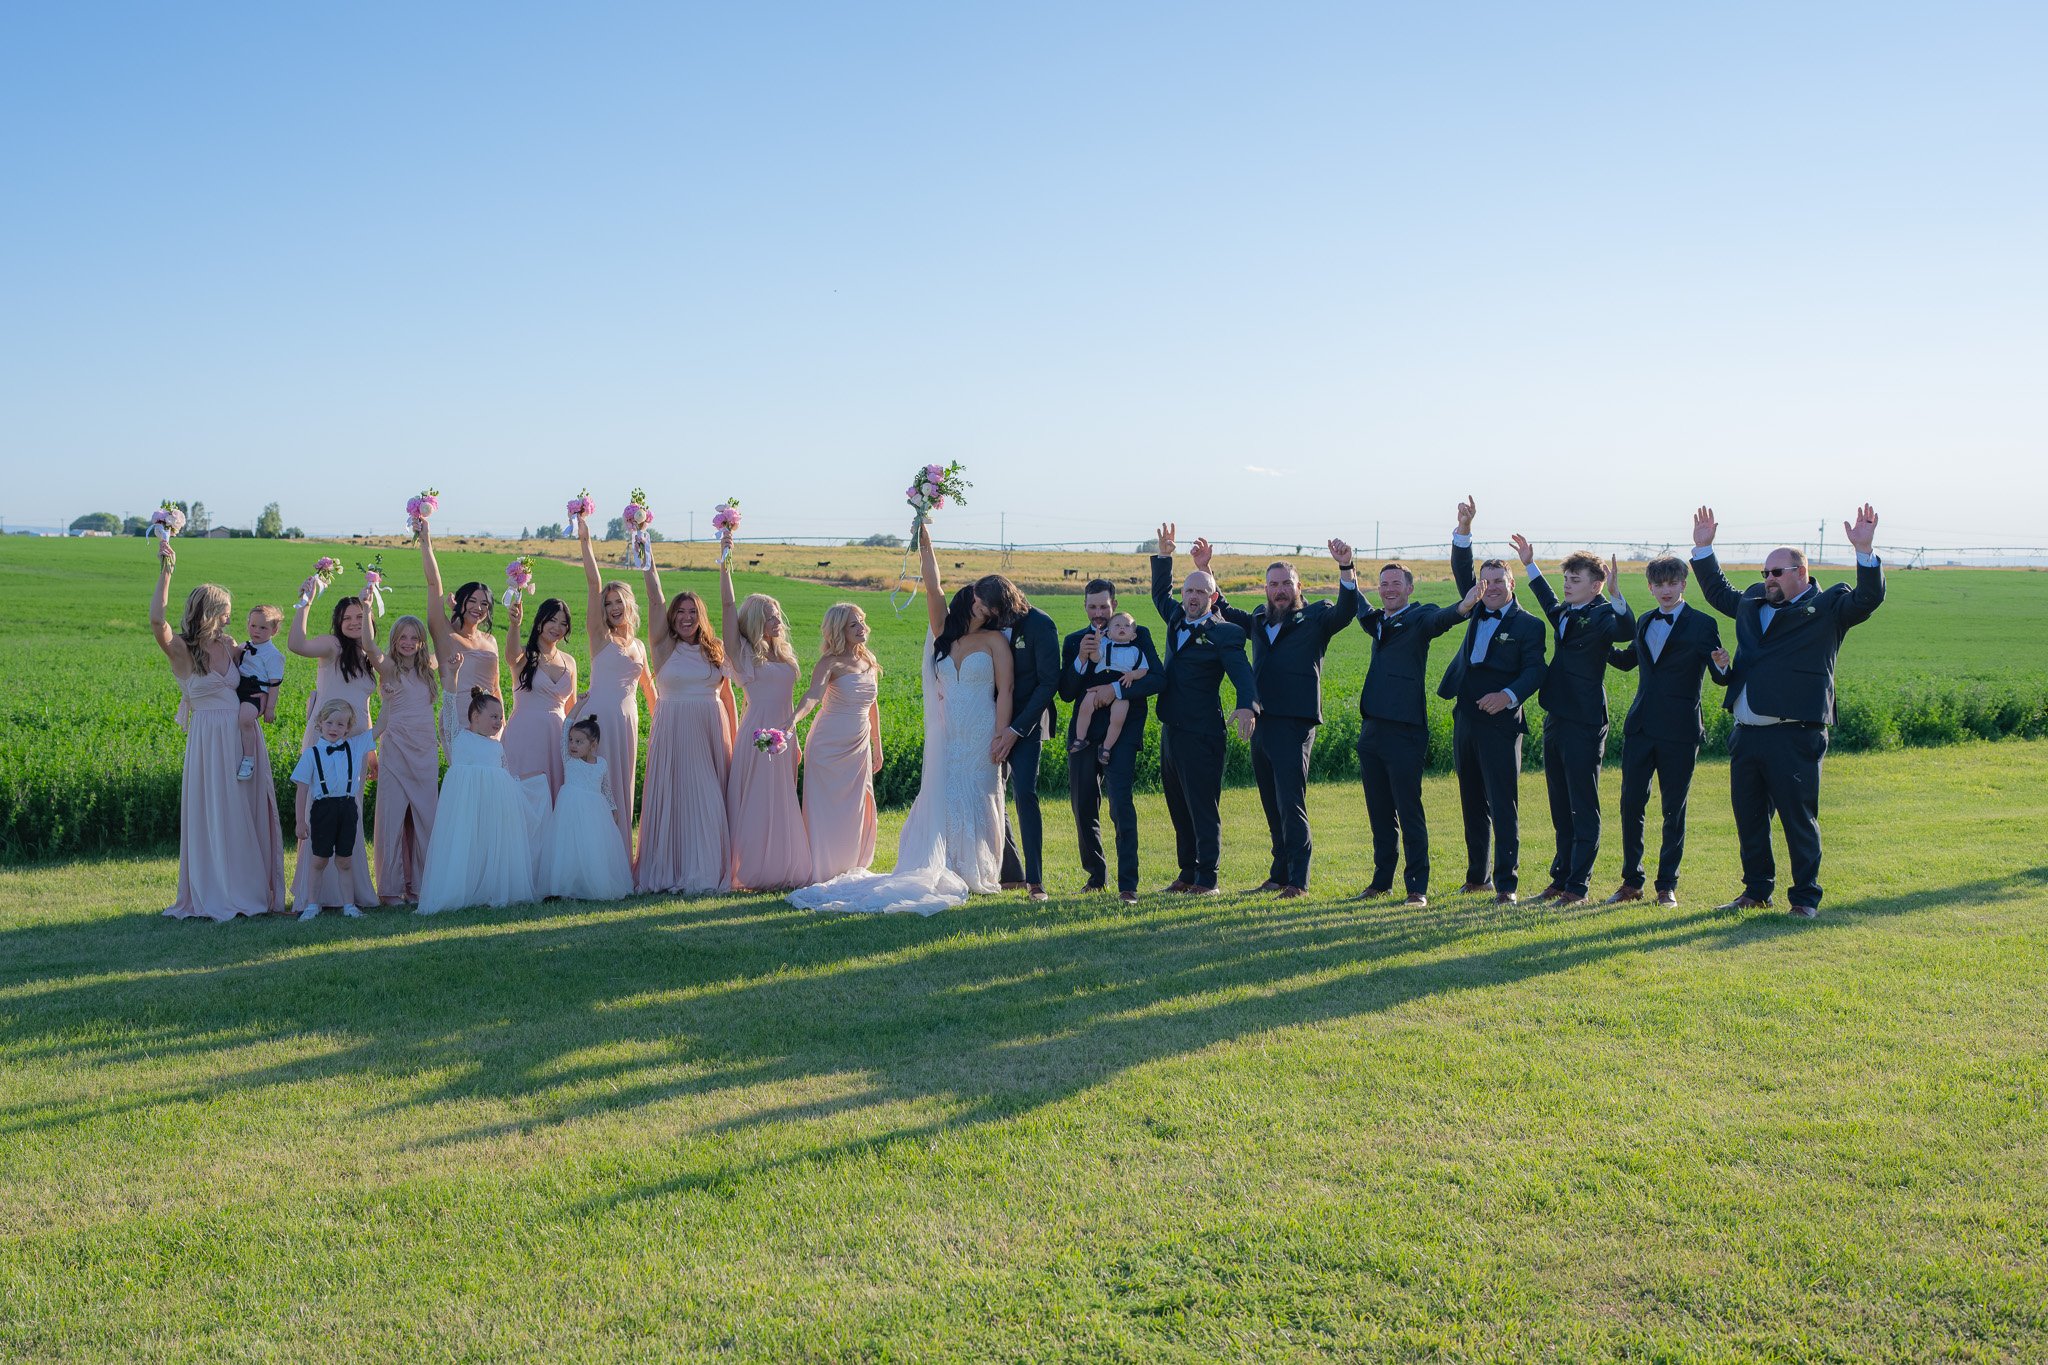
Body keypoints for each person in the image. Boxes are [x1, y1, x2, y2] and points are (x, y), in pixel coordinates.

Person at [791, 524, 1013, 914]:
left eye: (986, 607)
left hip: (982, 729)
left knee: (982, 793)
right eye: (976, 603)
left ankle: (980, 869)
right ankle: (946, 865)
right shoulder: (943, 632)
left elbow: (1006, 691)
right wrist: (925, 541)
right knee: (945, 793)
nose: (980, 610)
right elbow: (933, 586)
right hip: (948, 731)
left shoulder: (996, 642)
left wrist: (1002, 734)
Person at [1691, 504, 1886, 918]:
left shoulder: (1831, 605)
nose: (1768, 579)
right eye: (1764, 573)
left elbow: (1869, 598)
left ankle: (1804, 899)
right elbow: (1718, 593)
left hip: (1794, 733)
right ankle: (1756, 891)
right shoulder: (1751, 602)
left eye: (1776, 572)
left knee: (1799, 822)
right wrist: (1704, 550)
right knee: (1749, 820)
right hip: (1747, 732)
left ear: (1801, 572)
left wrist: (1865, 552)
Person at [1204, 535, 1360, 896]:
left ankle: (1299, 881)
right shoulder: (1260, 619)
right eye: (1273, 584)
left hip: (1295, 723)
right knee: (1271, 803)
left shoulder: (1316, 615)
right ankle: (1278, 874)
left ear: (1298, 587)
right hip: (1262, 721)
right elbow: (1223, 609)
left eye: (1285, 584)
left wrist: (1345, 567)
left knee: (1291, 801)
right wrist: (1205, 569)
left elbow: (1346, 610)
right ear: (1265, 588)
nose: (1279, 591)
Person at [152, 542, 287, 920]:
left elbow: (267, 661)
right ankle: (218, 890)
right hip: (208, 738)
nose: (230, 620)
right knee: (215, 811)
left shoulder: (230, 647)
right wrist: (166, 570)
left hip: (242, 737)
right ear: (210, 612)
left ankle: (252, 888)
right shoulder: (181, 649)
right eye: (226, 613)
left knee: (245, 810)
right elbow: (155, 622)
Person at [1603, 556, 1732, 907]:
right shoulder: (1644, 620)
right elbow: (1625, 661)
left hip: (1680, 731)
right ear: (1650, 587)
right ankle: (1631, 883)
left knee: (1674, 810)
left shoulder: (1703, 624)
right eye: (1658, 585)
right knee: (1631, 805)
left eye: (1671, 583)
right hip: (1640, 728)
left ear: (1683, 584)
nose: (1665, 590)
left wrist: (1723, 665)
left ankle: (1666, 886)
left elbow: (1721, 678)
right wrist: (1595, 640)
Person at [1511, 537, 1632, 908]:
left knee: (1583, 806)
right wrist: (1530, 564)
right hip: (1557, 716)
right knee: (1560, 806)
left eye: (1575, 579)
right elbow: (1548, 600)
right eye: (1566, 578)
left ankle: (1578, 888)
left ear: (1596, 584)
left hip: (1585, 720)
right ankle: (1559, 880)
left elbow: (1625, 632)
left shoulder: (1604, 614)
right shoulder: (1564, 611)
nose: (1567, 585)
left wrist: (1617, 596)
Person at [1442, 495, 1549, 903]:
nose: (1489, 589)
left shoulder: (1529, 624)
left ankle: (1506, 886)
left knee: (1503, 804)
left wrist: (1507, 696)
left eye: (1498, 582)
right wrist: (1464, 530)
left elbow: (1535, 671)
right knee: (1471, 801)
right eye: (1484, 582)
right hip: (1465, 718)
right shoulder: (1474, 608)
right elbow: (1459, 569)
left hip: (1502, 724)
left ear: (1512, 585)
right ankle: (1477, 877)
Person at [1149, 523, 1257, 895]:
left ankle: (1208, 879)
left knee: (1202, 807)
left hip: (1203, 732)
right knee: (1178, 805)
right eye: (1189, 590)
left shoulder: (1224, 632)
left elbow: (1242, 673)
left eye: (1201, 592)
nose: (1193, 597)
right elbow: (1159, 593)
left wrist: (1247, 706)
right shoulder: (1176, 617)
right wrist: (1165, 556)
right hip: (1172, 729)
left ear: (1213, 598)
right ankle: (1187, 874)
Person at [1352, 561, 1467, 906]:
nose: (1389, 589)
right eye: (1383, 583)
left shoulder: (1419, 617)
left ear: (1409, 588)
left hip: (1405, 731)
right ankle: (1380, 881)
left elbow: (1442, 619)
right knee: (1379, 812)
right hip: (1372, 729)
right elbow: (1357, 605)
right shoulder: (1378, 623)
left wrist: (1465, 605)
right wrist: (1347, 568)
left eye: (1396, 583)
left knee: (1408, 810)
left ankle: (1417, 888)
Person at [636, 556, 738, 895]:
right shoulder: (663, 647)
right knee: (675, 800)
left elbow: (728, 697)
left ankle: (706, 870)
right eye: (680, 612)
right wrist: (647, 558)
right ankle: (675, 868)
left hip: (710, 730)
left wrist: (734, 738)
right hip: (674, 729)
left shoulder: (716, 650)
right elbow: (654, 598)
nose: (686, 618)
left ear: (701, 617)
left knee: (708, 800)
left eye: (692, 612)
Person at [1060, 582, 1164, 904]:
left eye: (1104, 607)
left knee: (1120, 804)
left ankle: (1128, 885)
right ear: (1085, 608)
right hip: (1085, 733)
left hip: (1122, 730)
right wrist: (1081, 660)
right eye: (1092, 607)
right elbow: (1066, 693)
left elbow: (1157, 678)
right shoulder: (1075, 641)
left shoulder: (1135, 632)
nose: (1099, 614)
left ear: (1114, 604)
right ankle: (1096, 876)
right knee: (1083, 805)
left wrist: (1116, 691)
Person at [721, 541, 812, 891]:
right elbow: (728, 607)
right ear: (757, 620)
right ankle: (752, 871)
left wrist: (796, 739)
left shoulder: (784, 655)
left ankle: (780, 868)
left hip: (784, 737)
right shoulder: (744, 655)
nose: (777, 619)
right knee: (758, 804)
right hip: (757, 737)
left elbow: (789, 703)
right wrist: (725, 558)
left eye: (777, 613)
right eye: (770, 615)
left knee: (783, 801)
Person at [287, 582, 382, 914]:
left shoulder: (370, 655)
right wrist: (306, 602)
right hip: (325, 740)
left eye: (360, 616)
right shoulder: (331, 647)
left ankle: (348, 895)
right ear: (338, 622)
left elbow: (366, 708)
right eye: (347, 618)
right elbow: (296, 644)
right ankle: (312, 896)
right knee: (320, 813)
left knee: (348, 818)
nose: (354, 623)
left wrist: (371, 754)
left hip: (354, 748)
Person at [568, 515, 656, 863]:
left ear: (629, 604)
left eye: (618, 601)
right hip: (600, 720)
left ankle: (621, 858)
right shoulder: (599, 637)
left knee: (624, 786)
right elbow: (593, 583)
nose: (613, 607)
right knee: (598, 787)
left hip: (628, 723)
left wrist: (661, 724)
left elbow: (649, 690)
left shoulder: (639, 646)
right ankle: (595, 859)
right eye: (608, 604)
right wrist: (585, 540)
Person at [417, 689, 548, 914]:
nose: (499, 721)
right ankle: (463, 887)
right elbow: (447, 714)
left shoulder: (497, 746)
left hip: (494, 804)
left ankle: (490, 888)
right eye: (493, 716)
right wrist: (452, 680)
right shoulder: (458, 737)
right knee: (466, 842)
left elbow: (505, 774)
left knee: (490, 843)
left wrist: (531, 780)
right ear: (476, 716)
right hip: (466, 805)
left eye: (500, 717)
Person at [979, 571, 1061, 902]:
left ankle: (1036, 882)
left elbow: (1049, 682)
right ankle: (1009, 873)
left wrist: (1016, 729)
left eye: (988, 607)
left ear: (1003, 603)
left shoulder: (1040, 624)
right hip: (988, 722)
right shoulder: (986, 625)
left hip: (1028, 724)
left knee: (1024, 794)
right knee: (986, 793)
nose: (984, 613)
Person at [793, 603, 884, 883]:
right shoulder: (829, 663)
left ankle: (850, 865)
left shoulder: (868, 659)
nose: (862, 628)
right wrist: (793, 719)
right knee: (825, 809)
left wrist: (877, 746)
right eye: (853, 625)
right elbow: (812, 696)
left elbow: (872, 706)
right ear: (839, 630)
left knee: (856, 807)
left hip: (858, 745)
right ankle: (821, 867)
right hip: (828, 745)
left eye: (862, 622)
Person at [371, 613, 440, 905]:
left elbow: (445, 638)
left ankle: (420, 886)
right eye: (403, 637)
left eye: (414, 638)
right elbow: (367, 644)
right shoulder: (388, 668)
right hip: (396, 746)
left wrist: (447, 610)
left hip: (425, 749)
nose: (409, 643)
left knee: (426, 818)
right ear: (394, 640)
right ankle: (390, 888)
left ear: (422, 642)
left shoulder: (429, 668)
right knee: (393, 816)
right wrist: (367, 604)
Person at [418, 519, 501, 750]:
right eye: (472, 601)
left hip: (491, 722)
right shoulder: (446, 636)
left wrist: (500, 719)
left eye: (485, 604)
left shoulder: (491, 641)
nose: (478, 607)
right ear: (461, 603)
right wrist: (426, 541)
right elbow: (434, 584)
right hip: (458, 719)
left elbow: (496, 687)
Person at [291, 698, 377, 920]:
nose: (334, 728)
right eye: (329, 723)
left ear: (348, 728)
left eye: (340, 724)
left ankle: (349, 905)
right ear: (320, 723)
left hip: (348, 808)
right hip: (323, 810)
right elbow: (301, 790)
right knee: (318, 859)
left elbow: (381, 727)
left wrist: (386, 699)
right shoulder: (311, 754)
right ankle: (312, 905)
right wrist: (300, 821)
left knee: (345, 860)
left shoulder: (355, 746)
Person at [540, 716, 636, 902]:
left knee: (592, 846)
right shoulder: (569, 760)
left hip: (594, 811)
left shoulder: (601, 764)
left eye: (579, 742)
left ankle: (591, 884)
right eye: (571, 741)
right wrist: (579, 706)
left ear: (593, 745)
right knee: (569, 846)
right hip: (571, 809)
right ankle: (566, 886)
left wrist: (613, 808)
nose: (572, 745)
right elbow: (567, 723)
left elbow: (606, 788)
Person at [501, 596, 576, 798]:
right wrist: (515, 624)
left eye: (563, 623)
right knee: (525, 796)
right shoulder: (523, 656)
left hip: (558, 737)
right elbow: (510, 655)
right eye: (552, 620)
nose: (557, 627)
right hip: (526, 734)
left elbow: (572, 708)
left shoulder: (569, 661)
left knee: (557, 795)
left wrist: (577, 743)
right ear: (540, 621)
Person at [1066, 612, 1150, 760]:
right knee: (1085, 706)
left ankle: (1106, 747)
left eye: (1127, 626)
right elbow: (1095, 658)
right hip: (1099, 683)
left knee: (1118, 718)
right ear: (1109, 634)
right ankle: (1080, 738)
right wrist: (1097, 643)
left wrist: (1132, 675)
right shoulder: (1105, 644)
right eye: (1117, 625)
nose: (1122, 628)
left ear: (1133, 635)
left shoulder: (1136, 651)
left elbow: (1143, 669)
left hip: (1122, 685)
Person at [234, 604, 286, 781]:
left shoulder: (273, 655)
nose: (256, 630)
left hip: (255, 693)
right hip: (238, 687)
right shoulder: (244, 646)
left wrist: (270, 708)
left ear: (274, 630)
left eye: (263, 627)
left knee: (245, 718)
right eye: (253, 625)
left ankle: (248, 759)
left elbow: (275, 684)